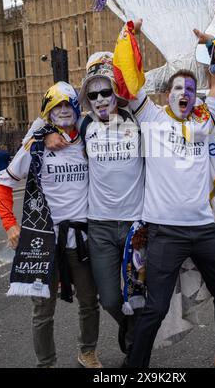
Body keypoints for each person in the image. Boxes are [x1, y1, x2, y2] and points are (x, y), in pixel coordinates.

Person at [121, 23, 215, 368]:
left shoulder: (205, 120)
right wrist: (131, 34)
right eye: (178, 88)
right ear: (167, 95)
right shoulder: (151, 118)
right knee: (156, 307)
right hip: (165, 233)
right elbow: (128, 83)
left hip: (205, 231)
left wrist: (212, 45)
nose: (185, 93)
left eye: (190, 88)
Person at [43, 54, 145, 356]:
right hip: (98, 228)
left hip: (134, 226)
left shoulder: (138, 123)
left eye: (106, 92)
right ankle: (129, 328)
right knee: (110, 299)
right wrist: (45, 132)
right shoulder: (86, 125)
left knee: (138, 294)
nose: (100, 99)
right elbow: (51, 114)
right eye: (93, 94)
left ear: (117, 93)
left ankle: (139, 346)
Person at [0, 82, 101, 368]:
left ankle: (87, 351)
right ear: (47, 114)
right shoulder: (36, 146)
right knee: (43, 310)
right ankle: (46, 363)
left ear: (76, 109)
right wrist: (10, 224)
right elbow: (4, 182)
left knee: (89, 302)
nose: (63, 110)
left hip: (81, 240)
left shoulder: (89, 142)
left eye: (68, 105)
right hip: (42, 241)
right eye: (56, 107)